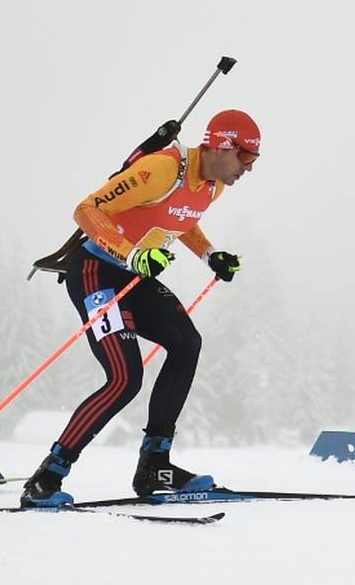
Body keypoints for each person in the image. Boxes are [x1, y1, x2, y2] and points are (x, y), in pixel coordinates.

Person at [19, 110, 260, 507]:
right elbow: (87, 210)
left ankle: (155, 465)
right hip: (97, 271)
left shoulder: (214, 186)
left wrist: (210, 256)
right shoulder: (161, 169)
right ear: (221, 145)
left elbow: (182, 220)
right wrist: (131, 254)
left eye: (254, 161)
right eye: (246, 157)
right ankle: (48, 477)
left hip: (136, 275)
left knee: (186, 343)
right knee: (124, 378)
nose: (247, 169)